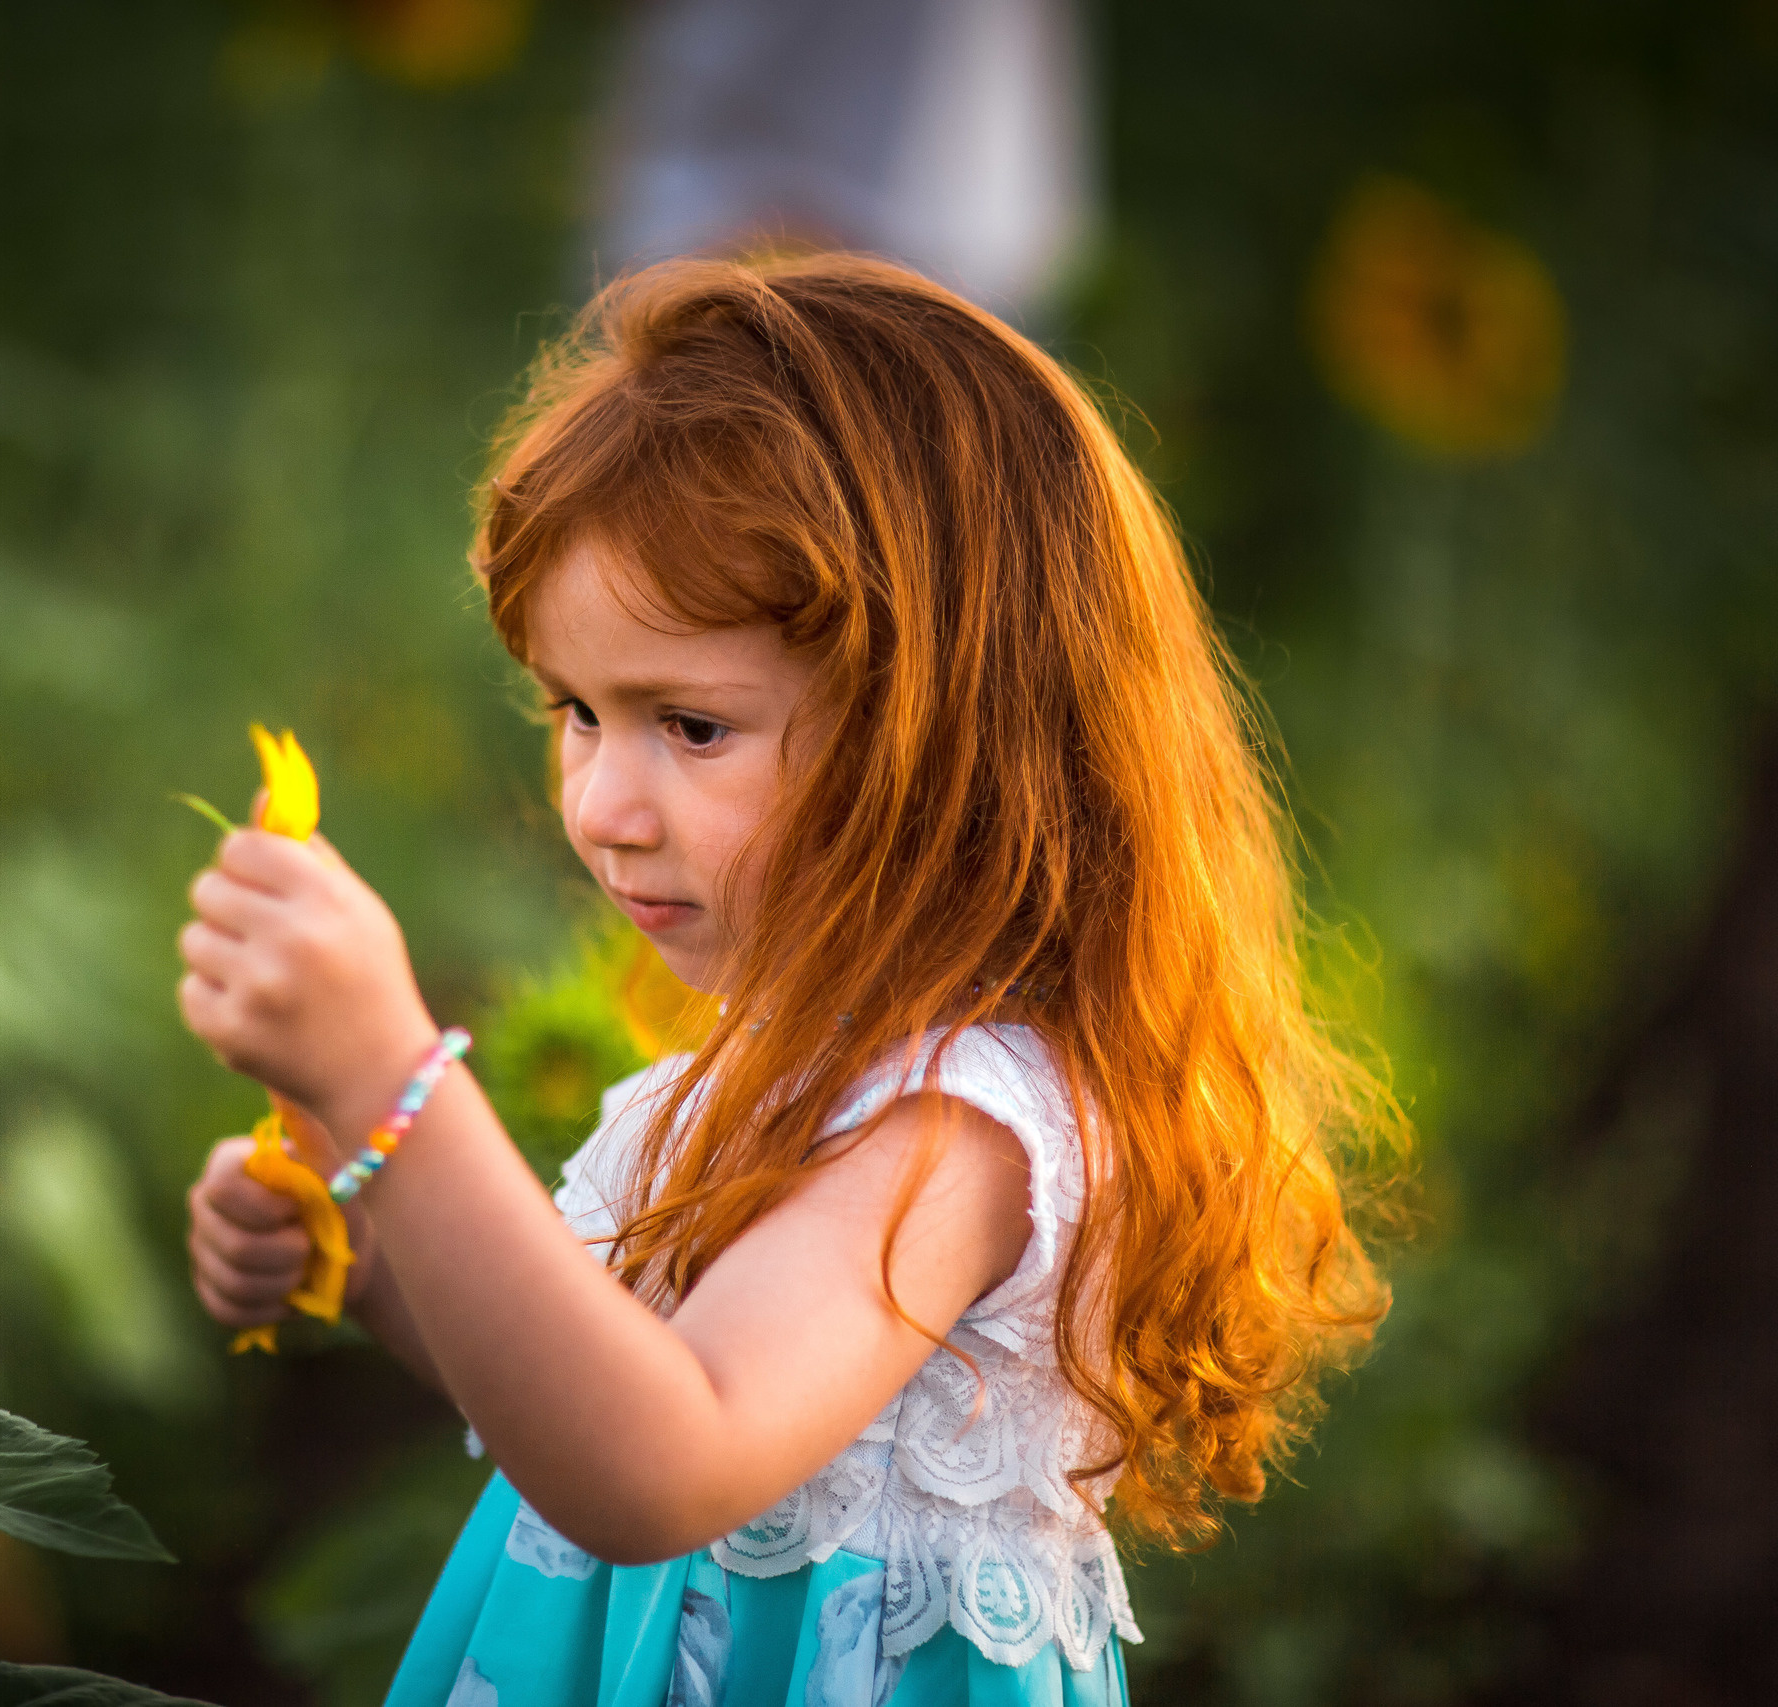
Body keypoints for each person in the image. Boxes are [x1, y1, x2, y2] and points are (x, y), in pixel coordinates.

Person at [177, 253, 1395, 1707]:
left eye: (689, 727)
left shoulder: (955, 1131)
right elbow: (591, 1396)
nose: (604, 805)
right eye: (577, 712)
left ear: (941, 744)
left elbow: (660, 1461)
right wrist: (374, 1254)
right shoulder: (768, 1060)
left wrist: (402, 1089)